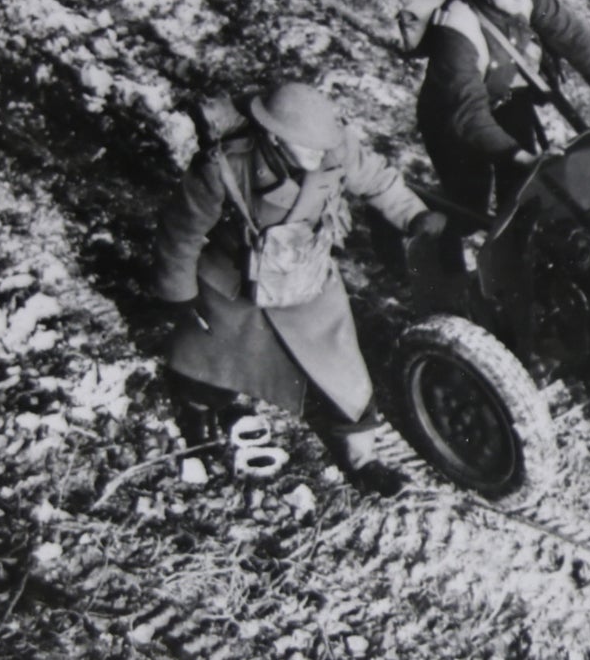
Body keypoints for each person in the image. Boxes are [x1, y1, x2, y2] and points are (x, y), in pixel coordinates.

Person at [153, 81, 431, 496]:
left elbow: (377, 181)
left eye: (324, 147)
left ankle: (363, 460)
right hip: (237, 284)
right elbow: (181, 232)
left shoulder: (332, 146)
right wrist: (179, 294)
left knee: (345, 377)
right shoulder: (224, 167)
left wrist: (415, 217)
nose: (319, 155)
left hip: (308, 280)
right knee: (208, 365)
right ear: (273, 137)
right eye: (308, 148)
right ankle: (201, 426)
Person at [409, 0, 590, 297]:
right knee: (469, 204)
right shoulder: (457, 31)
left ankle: (521, 274)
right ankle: (446, 277)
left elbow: (574, 37)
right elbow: (467, 115)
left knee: (525, 196)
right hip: (454, 121)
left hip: (506, 98)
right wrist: (522, 156)